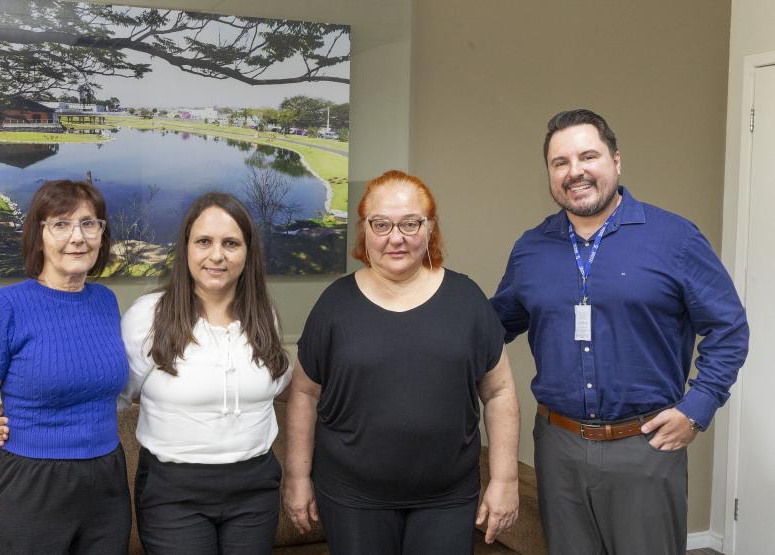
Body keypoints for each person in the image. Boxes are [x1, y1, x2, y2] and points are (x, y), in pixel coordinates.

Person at [490, 108, 750, 555]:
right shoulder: (530, 249)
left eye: (588, 156)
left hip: (646, 446)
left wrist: (697, 407)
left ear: (616, 161)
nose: (576, 172)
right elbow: (494, 326)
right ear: (550, 174)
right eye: (560, 162)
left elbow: (729, 327)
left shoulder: (675, 239)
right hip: (558, 447)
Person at [0, 192, 291, 554]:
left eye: (231, 243)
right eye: (203, 242)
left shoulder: (264, 317)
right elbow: (110, 391)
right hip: (175, 492)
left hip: (255, 487)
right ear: (185, 249)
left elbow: (277, 380)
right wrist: (29, 415)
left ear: (248, 252)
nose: (217, 255)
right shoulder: (149, 316)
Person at [283, 170, 521, 554]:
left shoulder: (467, 300)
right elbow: (305, 393)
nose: (396, 237)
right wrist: (296, 476)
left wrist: (505, 479)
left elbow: (500, 391)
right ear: (364, 231)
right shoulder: (334, 305)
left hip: (448, 497)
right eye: (381, 224)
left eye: (410, 223)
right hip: (351, 499)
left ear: (430, 229)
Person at [0, 179, 131, 555]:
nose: (78, 237)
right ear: (39, 235)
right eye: (61, 224)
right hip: (31, 484)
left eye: (89, 223)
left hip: (107, 483)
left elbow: (91, 384)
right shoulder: (2, 309)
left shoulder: (106, 301)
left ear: (102, 234)